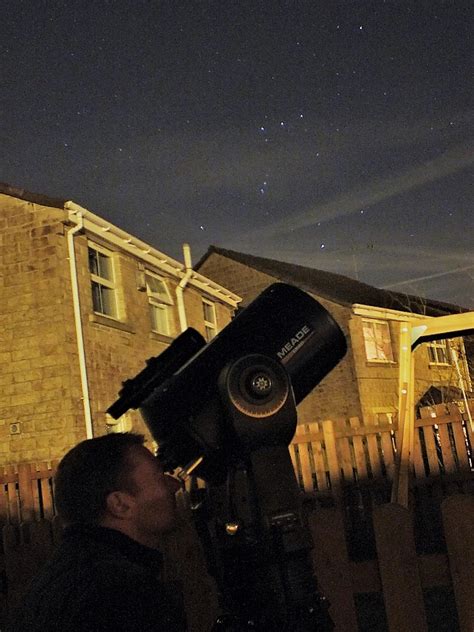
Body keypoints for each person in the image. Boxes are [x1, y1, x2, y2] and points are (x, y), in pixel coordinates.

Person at [7, 432, 187, 631]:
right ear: (120, 504)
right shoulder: (125, 596)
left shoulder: (58, 582)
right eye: (160, 478)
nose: (175, 485)